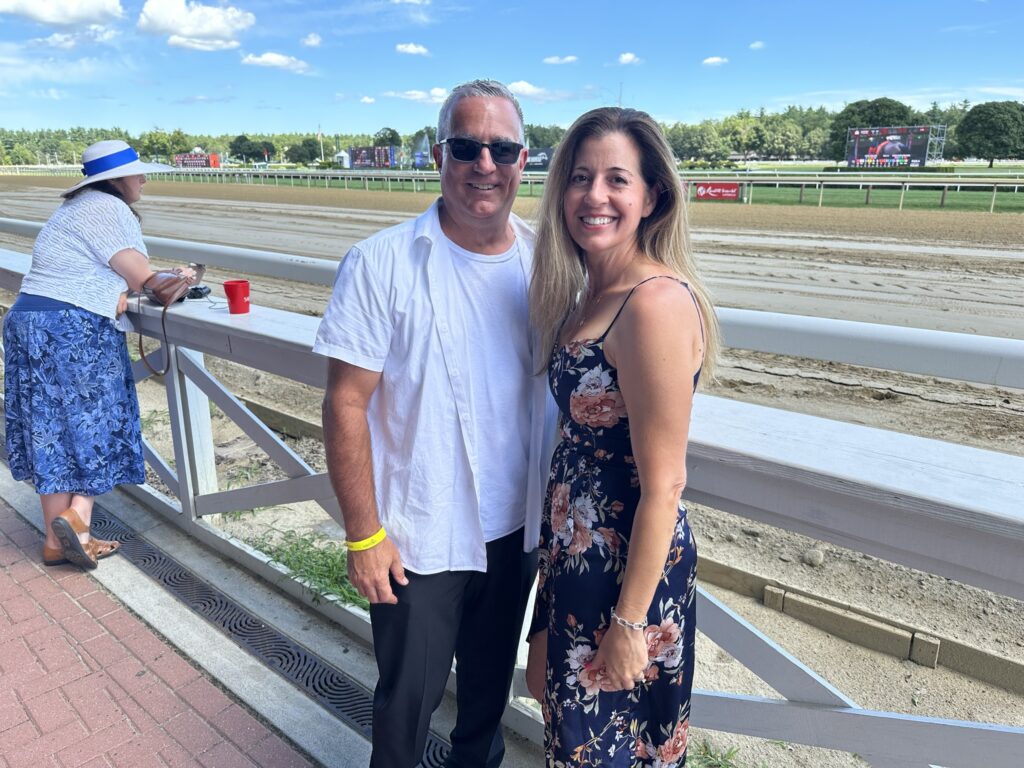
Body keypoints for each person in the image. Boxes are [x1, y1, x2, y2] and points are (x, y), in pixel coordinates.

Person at [314, 80, 554, 768]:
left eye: (502, 148)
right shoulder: (380, 263)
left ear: (523, 158)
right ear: (437, 154)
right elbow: (344, 404)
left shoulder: (546, 263)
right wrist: (364, 534)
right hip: (418, 538)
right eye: (466, 146)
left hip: (516, 534)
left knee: (486, 707)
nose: (485, 164)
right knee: (404, 708)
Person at [524, 107, 720, 766]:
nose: (595, 196)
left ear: (651, 195)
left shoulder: (655, 303)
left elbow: (664, 485)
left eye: (617, 179)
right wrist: (545, 618)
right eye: (580, 178)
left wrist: (630, 624)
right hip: (574, 566)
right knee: (573, 744)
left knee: (614, 753)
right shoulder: (584, 299)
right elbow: (573, 463)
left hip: (628, 581)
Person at [4, 140, 198, 570]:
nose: (144, 179)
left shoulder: (70, 210)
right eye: (138, 173)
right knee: (102, 419)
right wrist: (185, 275)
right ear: (116, 179)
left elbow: (96, 275)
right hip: (70, 330)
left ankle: (59, 543)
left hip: (27, 322)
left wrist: (121, 292)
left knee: (49, 430)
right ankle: (79, 515)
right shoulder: (109, 209)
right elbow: (150, 281)